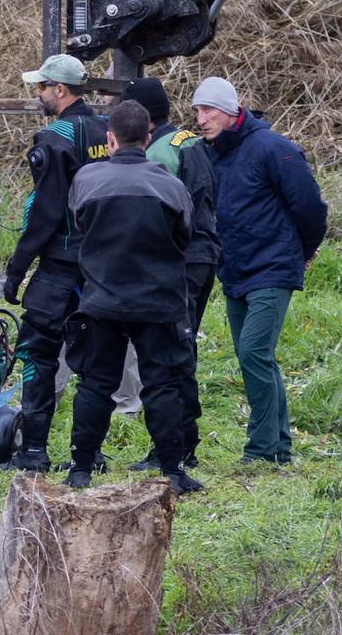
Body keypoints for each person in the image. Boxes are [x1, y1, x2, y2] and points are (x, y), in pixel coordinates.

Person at [64, 100, 202, 494]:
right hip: (158, 300)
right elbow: (184, 237)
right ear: (147, 138)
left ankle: (81, 468)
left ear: (110, 139)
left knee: (95, 384)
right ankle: (173, 470)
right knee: (162, 384)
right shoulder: (171, 186)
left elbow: (78, 230)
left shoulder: (87, 181)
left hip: (102, 299)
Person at [193, 76, 328, 465]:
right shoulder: (211, 153)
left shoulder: (273, 148)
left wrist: (303, 250)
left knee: (254, 352)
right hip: (234, 268)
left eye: (208, 110)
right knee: (256, 356)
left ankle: (262, 449)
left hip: (272, 267)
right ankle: (280, 445)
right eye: (197, 111)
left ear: (231, 109)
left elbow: (311, 207)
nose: (201, 119)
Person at [0, 54, 108, 472]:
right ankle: (89, 455)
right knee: (96, 362)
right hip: (102, 268)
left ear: (60, 90)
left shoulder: (54, 139)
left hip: (61, 265)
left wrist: (17, 268)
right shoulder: (105, 130)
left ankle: (33, 453)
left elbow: (44, 211)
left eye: (42, 87)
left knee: (38, 353)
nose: (39, 95)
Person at [116, 77, 221, 472]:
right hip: (205, 256)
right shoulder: (187, 141)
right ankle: (184, 443)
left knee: (170, 354)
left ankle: (172, 448)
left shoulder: (158, 152)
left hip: (179, 260)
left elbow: (156, 213)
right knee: (184, 348)